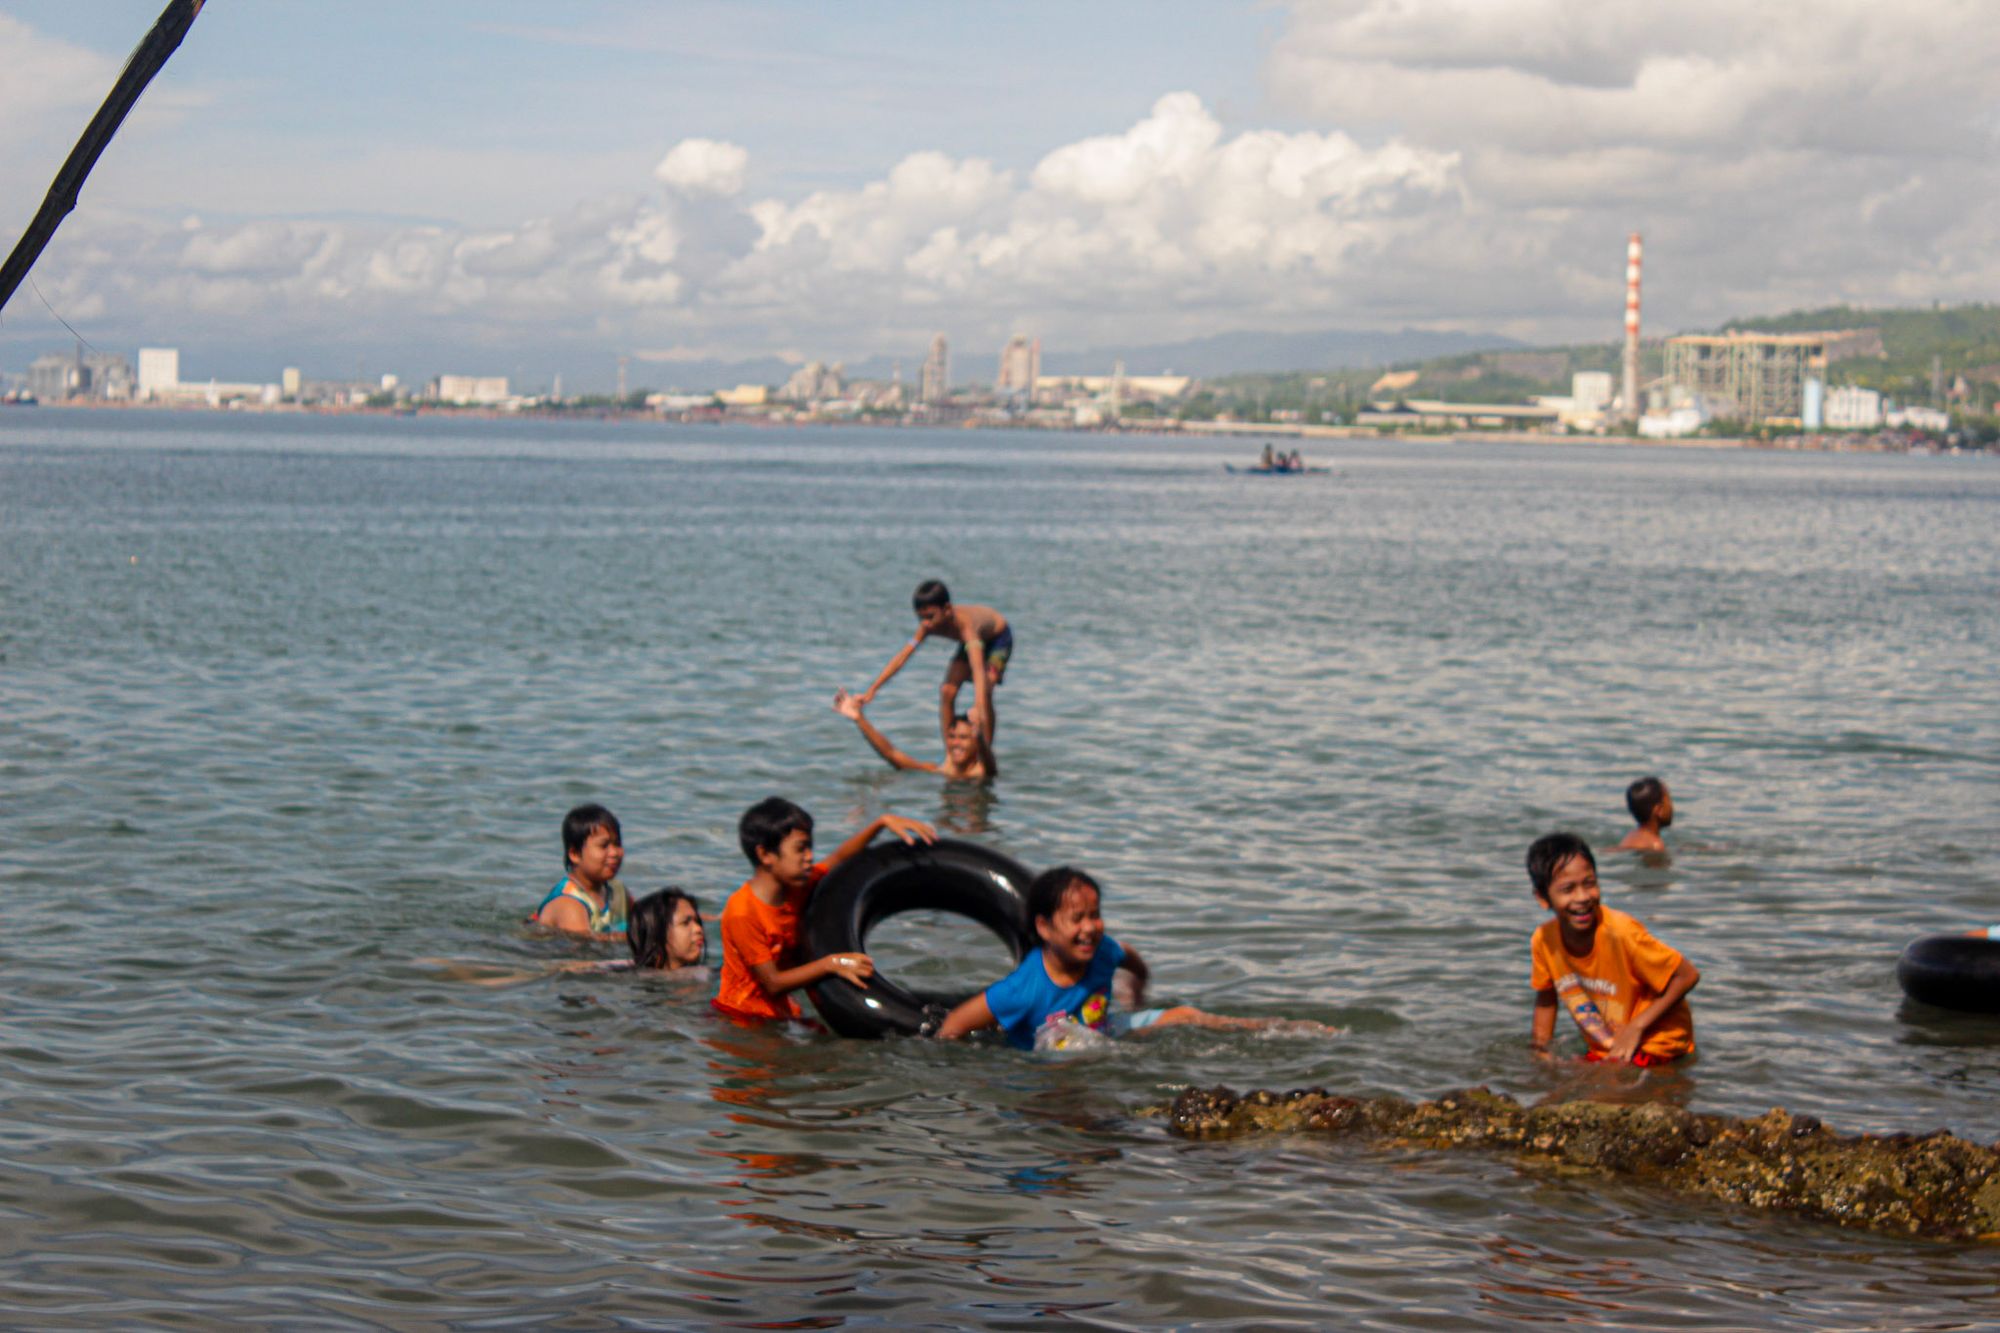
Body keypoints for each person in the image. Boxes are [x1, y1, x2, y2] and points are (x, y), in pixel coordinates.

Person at [935, 866, 1335, 1048]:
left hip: (1108, 1028)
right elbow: (954, 1024)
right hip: (1048, 1058)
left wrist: (1137, 987)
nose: (1090, 928)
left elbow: (1130, 957)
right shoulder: (1022, 990)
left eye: (1095, 915)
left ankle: (1281, 1029)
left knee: (1186, 1014)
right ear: (1044, 928)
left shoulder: (1102, 951)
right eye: (1077, 919)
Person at [714, 797, 937, 1023]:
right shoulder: (743, 912)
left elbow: (840, 857)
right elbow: (773, 983)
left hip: (780, 1012)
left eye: (810, 847)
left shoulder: (797, 887)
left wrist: (880, 823)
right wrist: (832, 964)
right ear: (765, 855)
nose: (809, 857)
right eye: (801, 849)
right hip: (743, 1018)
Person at [1527, 832, 1699, 1066]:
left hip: (1657, 1042)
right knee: (1561, 1082)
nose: (1583, 897)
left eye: (1589, 883)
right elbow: (1546, 998)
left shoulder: (1621, 933)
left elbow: (1687, 975)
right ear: (1542, 898)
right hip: (1611, 1047)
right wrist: (1541, 1051)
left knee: (1595, 1086)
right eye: (1568, 889)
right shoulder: (1544, 940)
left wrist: (1636, 1027)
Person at [427, 887, 704, 986]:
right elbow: (553, 971)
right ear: (656, 935)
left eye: (698, 921)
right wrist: (460, 971)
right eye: (686, 923)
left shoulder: (704, 975)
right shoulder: (628, 969)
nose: (698, 929)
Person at [856, 580, 1011, 746]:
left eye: (930, 617)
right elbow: (901, 658)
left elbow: (977, 670)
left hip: (997, 639)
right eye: (920, 618)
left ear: (947, 610)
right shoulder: (926, 626)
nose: (925, 623)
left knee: (986, 689)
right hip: (971, 643)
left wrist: (978, 709)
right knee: (946, 691)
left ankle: (985, 747)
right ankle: (952, 748)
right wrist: (872, 690)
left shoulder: (966, 626)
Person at [832, 688, 995, 780]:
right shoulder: (939, 770)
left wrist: (980, 736)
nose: (956, 743)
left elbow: (989, 761)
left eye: (964, 738)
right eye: (952, 737)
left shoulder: (980, 771)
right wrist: (859, 718)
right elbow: (893, 755)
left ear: (976, 743)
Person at [529, 803, 633, 937]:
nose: (614, 853)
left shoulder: (617, 891)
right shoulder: (569, 904)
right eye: (604, 846)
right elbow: (584, 947)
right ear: (575, 854)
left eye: (617, 844)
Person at [1615, 776, 1673, 853]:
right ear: (1659, 810)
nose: (1671, 807)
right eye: (1669, 800)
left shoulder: (1631, 837)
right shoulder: (1656, 845)